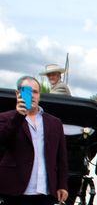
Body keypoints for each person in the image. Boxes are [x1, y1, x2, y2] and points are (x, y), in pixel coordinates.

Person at [0, 76, 69, 205]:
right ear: (18, 93)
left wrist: (62, 185)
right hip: (14, 192)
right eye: (27, 91)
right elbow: (3, 141)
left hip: (45, 192)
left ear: (39, 95)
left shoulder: (55, 123)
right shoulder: (5, 118)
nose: (31, 95)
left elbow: (61, 157)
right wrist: (18, 117)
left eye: (35, 92)